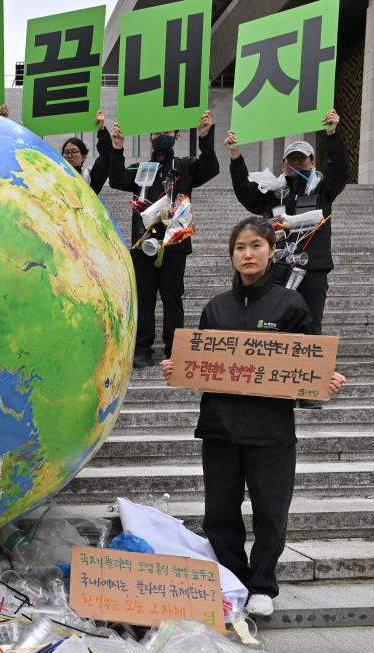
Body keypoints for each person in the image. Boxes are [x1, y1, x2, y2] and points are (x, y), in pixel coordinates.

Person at [160, 217, 346, 617]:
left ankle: (262, 585)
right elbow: (203, 363)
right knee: (219, 514)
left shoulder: (290, 304)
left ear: (271, 251)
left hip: (271, 430)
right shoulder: (216, 307)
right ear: (232, 255)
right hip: (219, 429)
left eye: (256, 246)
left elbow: (308, 364)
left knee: (269, 512)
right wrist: (179, 367)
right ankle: (233, 582)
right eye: (240, 247)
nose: (248, 254)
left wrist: (323, 383)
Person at [225, 109, 348, 341]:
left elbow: (340, 170)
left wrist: (332, 134)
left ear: (312, 162)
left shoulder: (323, 191)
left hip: (312, 270)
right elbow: (245, 193)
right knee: (274, 326)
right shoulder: (272, 194)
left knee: (310, 327)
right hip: (276, 270)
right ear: (283, 167)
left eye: (302, 159)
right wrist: (235, 154)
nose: (296, 164)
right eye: (291, 160)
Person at [110, 112, 219, 368]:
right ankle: (142, 348)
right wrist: (117, 148)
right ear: (149, 136)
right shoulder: (140, 170)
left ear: (177, 136)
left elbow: (211, 168)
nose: (162, 136)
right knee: (145, 297)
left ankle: (174, 348)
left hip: (175, 243)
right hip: (144, 244)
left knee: (173, 297)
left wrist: (205, 138)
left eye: (168, 132)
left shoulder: (186, 166)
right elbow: (116, 180)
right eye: (157, 132)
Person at [61, 110, 112, 194]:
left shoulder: (90, 177)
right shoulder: (55, 175)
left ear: (83, 157)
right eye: (66, 152)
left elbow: (106, 156)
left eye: (74, 151)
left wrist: (102, 130)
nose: (70, 155)